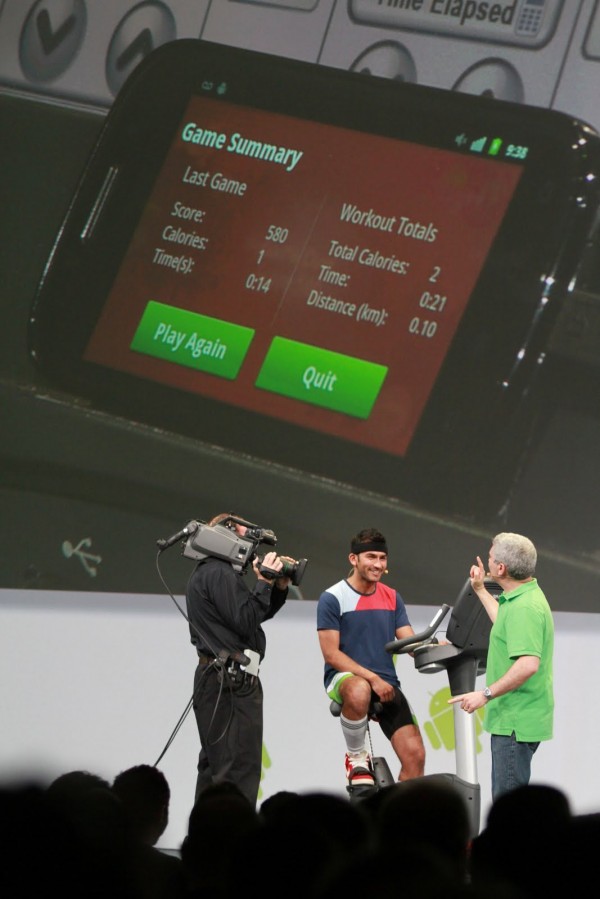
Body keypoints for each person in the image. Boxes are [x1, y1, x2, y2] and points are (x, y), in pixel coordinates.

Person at [186, 512, 291, 807]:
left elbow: (252, 616)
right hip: (230, 682)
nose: (250, 546)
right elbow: (246, 619)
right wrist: (263, 582)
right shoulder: (219, 572)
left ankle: (208, 832)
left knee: (215, 771)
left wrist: (277, 587)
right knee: (237, 772)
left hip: (221, 679)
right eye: (244, 535)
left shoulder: (212, 572)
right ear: (226, 533)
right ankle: (233, 834)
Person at [317, 527, 426, 790]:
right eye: (371, 557)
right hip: (346, 678)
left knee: (416, 758)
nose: (378, 564)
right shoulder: (332, 598)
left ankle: (399, 810)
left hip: (386, 683)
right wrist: (372, 678)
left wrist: (433, 645)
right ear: (353, 559)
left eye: (382, 558)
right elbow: (331, 654)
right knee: (359, 688)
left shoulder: (392, 596)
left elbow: (410, 643)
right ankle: (356, 757)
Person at [448, 532, 554, 801]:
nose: (488, 561)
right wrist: (480, 589)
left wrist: (484, 694)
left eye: (491, 557)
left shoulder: (525, 608)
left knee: (509, 809)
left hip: (515, 721)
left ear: (501, 568)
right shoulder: (520, 597)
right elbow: (506, 625)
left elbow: (528, 664)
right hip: (515, 717)